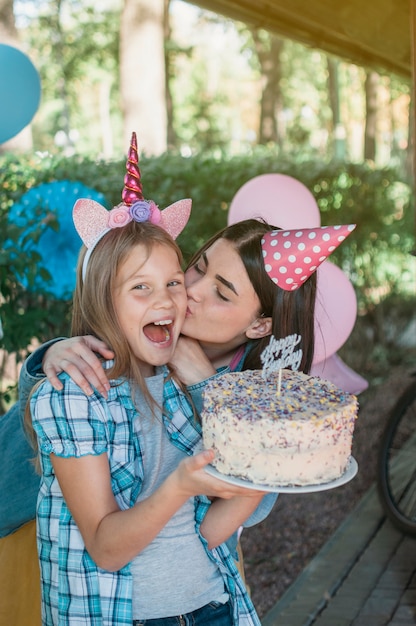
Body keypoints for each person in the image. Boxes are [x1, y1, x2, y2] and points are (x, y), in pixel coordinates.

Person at [26, 167, 270, 626]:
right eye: (141, 287)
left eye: (173, 283)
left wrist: (271, 460)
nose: (170, 300)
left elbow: (211, 529)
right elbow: (106, 547)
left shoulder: (180, 384)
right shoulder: (72, 394)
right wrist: (181, 485)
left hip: (215, 608)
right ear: (102, 297)